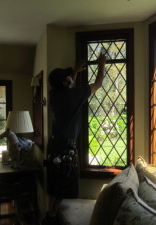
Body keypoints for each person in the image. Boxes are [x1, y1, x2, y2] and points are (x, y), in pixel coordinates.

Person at [41, 53, 106, 225]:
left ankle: (50, 214)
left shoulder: (54, 94)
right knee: (65, 184)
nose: (71, 77)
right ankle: (51, 216)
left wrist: (74, 71)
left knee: (56, 184)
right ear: (65, 82)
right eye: (68, 76)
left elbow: (67, 87)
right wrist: (102, 64)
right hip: (65, 148)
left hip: (54, 146)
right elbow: (98, 84)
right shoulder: (72, 95)